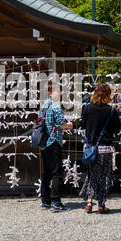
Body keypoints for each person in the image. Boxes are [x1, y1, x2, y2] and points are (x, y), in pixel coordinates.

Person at [79, 83, 121, 214]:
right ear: (108, 95)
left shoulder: (87, 108)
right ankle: (101, 204)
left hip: (91, 148)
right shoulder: (112, 111)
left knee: (92, 175)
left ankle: (89, 201)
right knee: (104, 176)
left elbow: (83, 125)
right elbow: (117, 129)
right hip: (106, 148)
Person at [39, 81, 73, 212]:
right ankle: (55, 201)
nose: (60, 93)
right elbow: (61, 124)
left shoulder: (43, 106)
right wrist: (70, 124)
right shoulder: (55, 106)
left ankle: (45, 200)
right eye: (57, 91)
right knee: (57, 172)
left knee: (46, 172)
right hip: (53, 141)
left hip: (43, 143)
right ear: (49, 93)